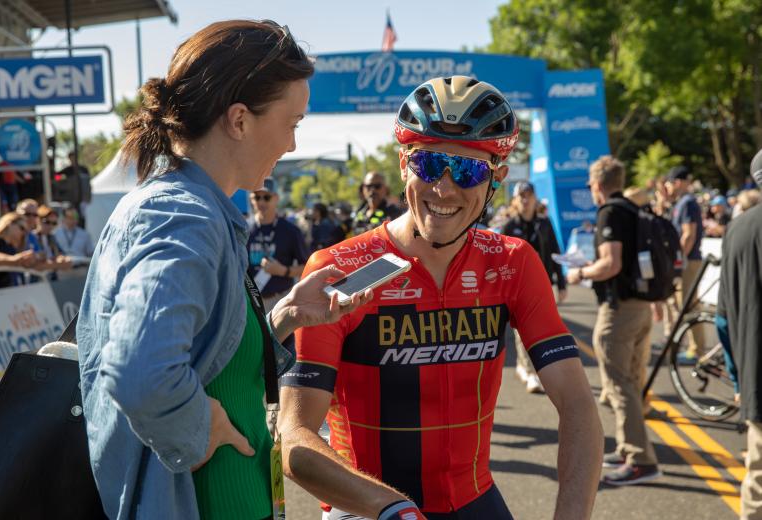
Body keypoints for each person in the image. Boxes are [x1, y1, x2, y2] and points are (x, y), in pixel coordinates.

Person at [75, 20, 371, 520]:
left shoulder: (197, 210)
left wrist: (285, 317)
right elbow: (140, 371)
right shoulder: (183, 216)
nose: (292, 145)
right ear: (239, 120)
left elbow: (206, 358)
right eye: (292, 123)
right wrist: (199, 427)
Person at [279, 75, 602, 519]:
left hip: (472, 500)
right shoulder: (340, 269)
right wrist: (393, 509)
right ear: (402, 166)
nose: (444, 189)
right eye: (429, 165)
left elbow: (577, 403)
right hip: (366, 509)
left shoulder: (511, 263)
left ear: (498, 180)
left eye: (468, 170)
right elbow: (293, 435)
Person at [566, 155, 661, 486]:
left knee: (619, 384)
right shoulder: (635, 209)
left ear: (597, 185)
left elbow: (610, 264)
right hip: (641, 307)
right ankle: (627, 448)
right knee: (631, 382)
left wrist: (580, 272)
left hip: (619, 311)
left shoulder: (610, 212)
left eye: (591, 185)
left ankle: (640, 459)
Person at [720, 148, 762, 519]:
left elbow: (723, 317)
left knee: (759, 482)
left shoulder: (738, 228)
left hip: (756, 376)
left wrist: (737, 377)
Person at [502, 180, 566, 394]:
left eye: (528, 195)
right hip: (518, 287)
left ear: (535, 198)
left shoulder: (544, 223)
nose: (525, 199)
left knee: (544, 328)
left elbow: (555, 252)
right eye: (521, 196)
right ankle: (530, 372)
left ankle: (524, 366)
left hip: (543, 284)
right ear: (515, 200)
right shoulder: (509, 226)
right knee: (523, 330)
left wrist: (562, 284)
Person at [247, 177, 310, 311]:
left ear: (276, 198)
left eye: (266, 197)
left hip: (281, 299)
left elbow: (306, 267)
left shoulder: (290, 231)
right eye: (257, 197)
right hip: (250, 301)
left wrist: (284, 271)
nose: (261, 202)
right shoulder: (244, 229)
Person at [665, 165, 705, 363]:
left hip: (688, 262)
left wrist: (677, 262)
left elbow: (688, 235)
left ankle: (697, 350)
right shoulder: (683, 202)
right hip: (688, 261)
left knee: (688, 306)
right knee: (687, 306)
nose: (668, 188)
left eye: (669, 184)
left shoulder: (687, 202)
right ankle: (695, 348)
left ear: (677, 182)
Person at [0, 212, 34, 290]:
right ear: (10, 224)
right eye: (22, 228)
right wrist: (14, 259)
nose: (23, 233)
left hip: (8, 291)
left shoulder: (14, 247)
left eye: (25, 231)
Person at [54, 151, 91, 220]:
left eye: (74, 158)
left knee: (82, 217)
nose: (72, 160)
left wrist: (87, 198)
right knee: (72, 216)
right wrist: (62, 178)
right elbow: (56, 176)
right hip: (72, 199)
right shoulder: (68, 170)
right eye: (71, 158)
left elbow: (88, 184)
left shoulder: (84, 169)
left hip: (83, 199)